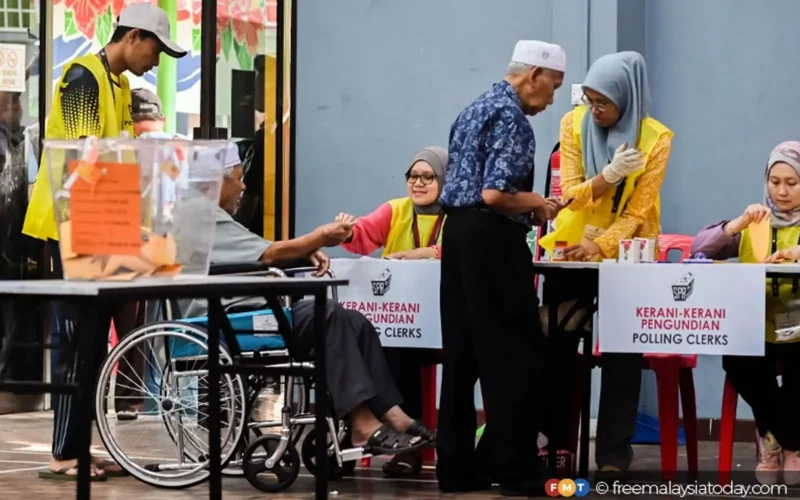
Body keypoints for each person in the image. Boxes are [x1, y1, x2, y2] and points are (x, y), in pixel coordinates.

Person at [183, 143, 436, 457]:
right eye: (238, 177)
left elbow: (261, 253)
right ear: (215, 180)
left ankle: (393, 414)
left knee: (355, 321)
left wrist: (303, 250)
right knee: (328, 315)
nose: (244, 185)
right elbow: (269, 254)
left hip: (239, 314)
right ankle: (362, 425)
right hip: (222, 321)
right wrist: (319, 238)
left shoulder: (207, 213)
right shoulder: (198, 212)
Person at [22, 3, 188, 481]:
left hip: (99, 228)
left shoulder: (117, 84)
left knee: (94, 346)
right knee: (78, 345)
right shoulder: (81, 78)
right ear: (134, 36)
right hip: (70, 227)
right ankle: (62, 454)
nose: (158, 61)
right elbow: (82, 163)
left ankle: (78, 446)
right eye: (157, 49)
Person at [435, 40, 566, 497]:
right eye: (553, 85)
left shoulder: (472, 109)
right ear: (534, 75)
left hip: (457, 238)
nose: (551, 97)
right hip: (491, 240)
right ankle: (513, 466)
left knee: (462, 354)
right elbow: (495, 194)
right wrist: (539, 203)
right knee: (515, 353)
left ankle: (453, 467)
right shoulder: (511, 117)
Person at [538, 51, 673, 481]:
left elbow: (638, 211)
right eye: (589, 100)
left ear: (626, 97)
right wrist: (608, 176)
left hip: (627, 254)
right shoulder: (573, 124)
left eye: (603, 103)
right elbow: (570, 194)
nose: (593, 111)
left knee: (622, 353)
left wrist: (604, 247)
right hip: (571, 248)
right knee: (557, 343)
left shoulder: (656, 138)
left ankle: (614, 454)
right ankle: (556, 444)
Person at [691, 141, 800, 486]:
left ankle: (781, 442)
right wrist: (735, 225)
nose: (781, 191)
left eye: (792, 183)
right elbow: (699, 249)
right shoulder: (757, 222)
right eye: (774, 181)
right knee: (738, 360)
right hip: (757, 326)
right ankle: (787, 441)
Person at [335, 146, 448, 477]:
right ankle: (358, 438)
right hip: (400, 318)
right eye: (413, 176)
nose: (419, 183)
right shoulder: (396, 210)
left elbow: (461, 247)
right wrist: (348, 231)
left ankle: (409, 447)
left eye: (428, 177)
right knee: (374, 345)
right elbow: (364, 235)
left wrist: (423, 253)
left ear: (445, 179)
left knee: (403, 351)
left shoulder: (459, 213)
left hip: (442, 319)